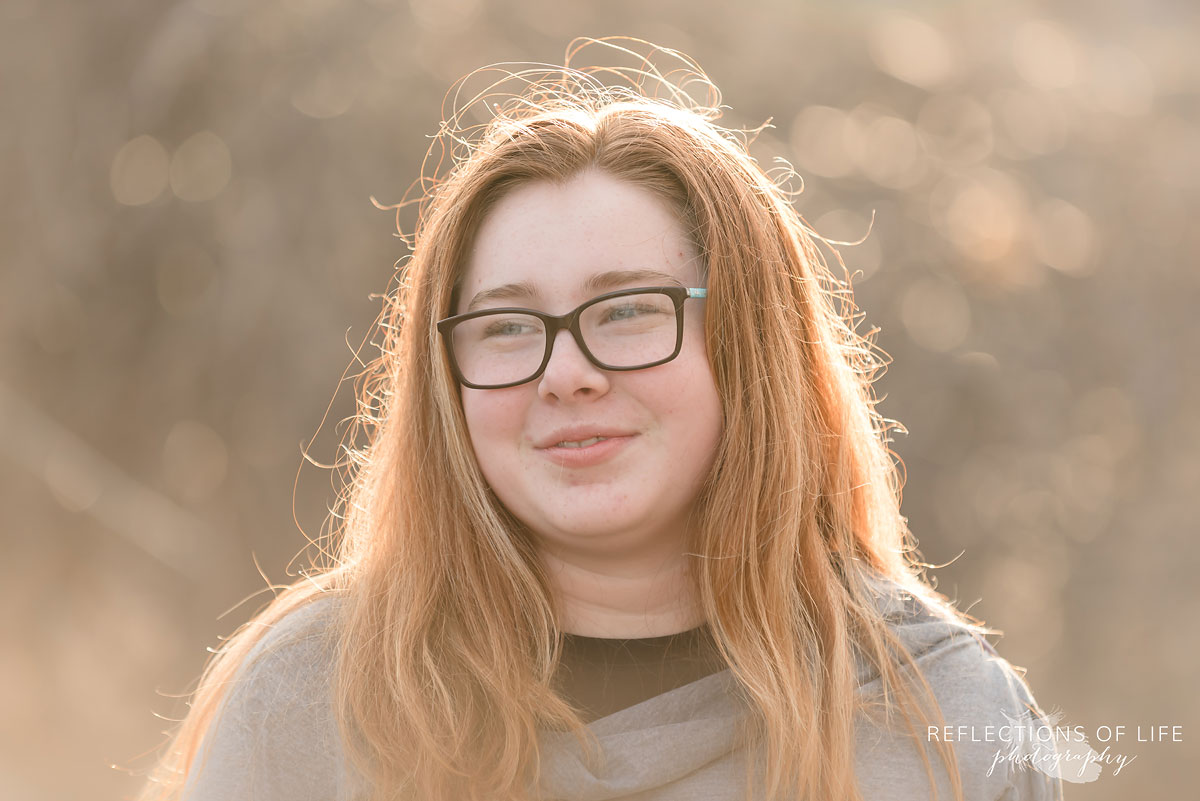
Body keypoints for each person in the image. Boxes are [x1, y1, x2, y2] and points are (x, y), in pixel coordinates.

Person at [139, 39, 1064, 801]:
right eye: (506, 327)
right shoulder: (309, 702)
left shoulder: (942, 720)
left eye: (626, 311)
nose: (566, 374)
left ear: (750, 348)